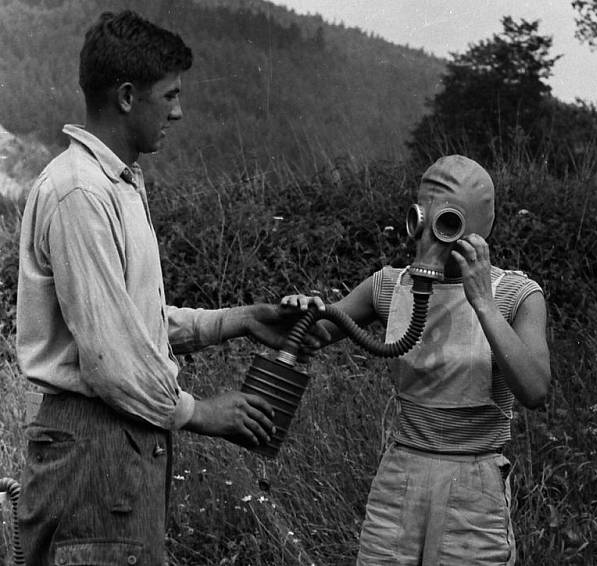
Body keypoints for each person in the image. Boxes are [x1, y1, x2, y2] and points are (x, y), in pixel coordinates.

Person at [15, 10, 323, 565]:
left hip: (118, 445)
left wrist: (242, 318)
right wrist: (200, 412)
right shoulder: (80, 192)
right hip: (94, 448)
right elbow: (112, 356)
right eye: (170, 96)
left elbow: (133, 322)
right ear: (128, 97)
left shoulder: (116, 185)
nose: (179, 112)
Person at [283, 154, 551, 565]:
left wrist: (481, 300)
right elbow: (317, 333)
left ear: (476, 230)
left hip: (474, 483)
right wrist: (305, 312)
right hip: (402, 474)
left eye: (447, 224)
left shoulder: (516, 295)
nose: (429, 238)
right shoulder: (390, 286)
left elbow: (535, 389)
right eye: (423, 221)